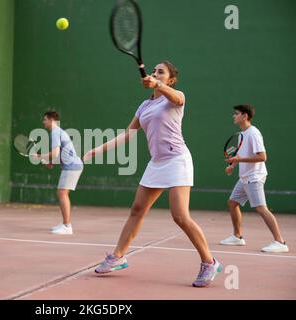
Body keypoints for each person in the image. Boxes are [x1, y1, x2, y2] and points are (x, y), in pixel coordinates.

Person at [83, 61, 222, 287]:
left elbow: (178, 99)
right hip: (157, 163)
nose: (156, 74)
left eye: (161, 72)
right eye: (155, 71)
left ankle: (209, 261)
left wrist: (157, 84)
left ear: (170, 79)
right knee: (137, 210)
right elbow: (127, 134)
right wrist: (96, 149)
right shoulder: (144, 106)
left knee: (179, 215)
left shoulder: (175, 98)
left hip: (177, 159)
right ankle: (118, 257)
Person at [221, 104, 289, 253]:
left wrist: (239, 160)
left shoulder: (253, 133)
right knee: (232, 203)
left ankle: (280, 242)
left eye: (236, 113)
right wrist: (233, 165)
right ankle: (237, 237)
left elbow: (262, 157)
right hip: (244, 177)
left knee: (261, 208)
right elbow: (241, 155)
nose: (234, 116)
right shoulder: (241, 134)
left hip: (254, 177)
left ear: (244, 116)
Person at [32, 111, 83, 235]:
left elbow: (55, 153)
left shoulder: (55, 132)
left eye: (45, 120)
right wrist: (50, 162)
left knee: (62, 193)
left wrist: (39, 156)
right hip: (73, 165)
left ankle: (67, 226)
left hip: (71, 166)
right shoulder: (58, 131)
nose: (43, 122)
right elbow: (59, 153)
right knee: (62, 193)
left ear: (51, 120)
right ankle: (65, 223)